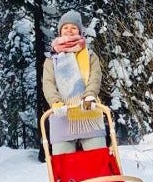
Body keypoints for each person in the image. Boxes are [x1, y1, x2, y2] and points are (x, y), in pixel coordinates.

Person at [42, 10, 106, 156]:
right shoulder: (52, 59)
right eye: (65, 27)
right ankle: (66, 180)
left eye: (73, 28)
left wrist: (90, 95)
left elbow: (95, 77)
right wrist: (55, 102)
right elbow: (48, 83)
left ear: (80, 31)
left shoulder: (90, 55)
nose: (69, 31)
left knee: (97, 158)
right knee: (64, 163)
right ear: (60, 31)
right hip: (62, 113)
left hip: (89, 110)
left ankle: (99, 179)